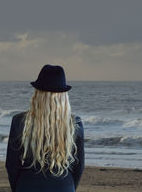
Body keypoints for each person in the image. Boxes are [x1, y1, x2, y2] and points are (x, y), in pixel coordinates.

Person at [5, 64, 85, 192]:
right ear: (63, 95)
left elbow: (11, 164)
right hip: (64, 185)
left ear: (37, 93)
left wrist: (18, 187)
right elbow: (79, 166)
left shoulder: (19, 120)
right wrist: (69, 187)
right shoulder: (74, 123)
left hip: (27, 185)